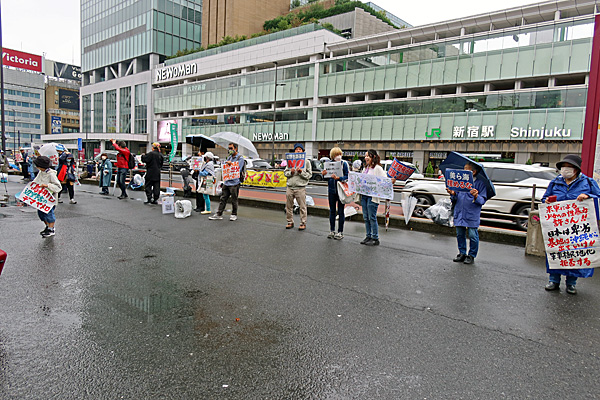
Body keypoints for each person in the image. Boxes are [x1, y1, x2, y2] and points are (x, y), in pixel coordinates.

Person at [541, 154, 600, 295]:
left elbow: (598, 197)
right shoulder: (555, 182)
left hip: (578, 227)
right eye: (563, 167)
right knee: (556, 251)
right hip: (558, 226)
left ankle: (571, 283)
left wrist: (588, 196)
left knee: (574, 254)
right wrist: (547, 201)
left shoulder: (588, 182)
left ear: (576, 169)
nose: (565, 169)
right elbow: (544, 199)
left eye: (569, 167)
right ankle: (553, 280)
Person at [446, 162, 488, 265]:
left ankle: (471, 255)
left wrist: (476, 196)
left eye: (466, 169)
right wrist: (453, 193)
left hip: (472, 213)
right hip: (460, 212)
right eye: (464, 169)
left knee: (473, 235)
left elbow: (482, 201)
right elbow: (455, 198)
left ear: (473, 172)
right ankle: (462, 253)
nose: (463, 171)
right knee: (460, 234)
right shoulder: (460, 183)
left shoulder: (480, 184)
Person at [360, 149, 390, 246]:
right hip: (364, 195)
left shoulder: (378, 168)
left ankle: (375, 238)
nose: (366, 158)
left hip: (372, 196)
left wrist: (390, 181)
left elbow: (384, 180)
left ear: (373, 157)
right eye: (365, 156)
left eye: (368, 156)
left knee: (372, 217)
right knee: (366, 217)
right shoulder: (366, 168)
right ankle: (368, 236)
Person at [209, 143, 245, 221]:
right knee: (223, 198)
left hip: (235, 182)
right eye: (229, 148)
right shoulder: (229, 157)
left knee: (234, 199)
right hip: (227, 181)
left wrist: (231, 164)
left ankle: (234, 214)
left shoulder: (240, 158)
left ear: (235, 148)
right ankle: (219, 214)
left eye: (231, 148)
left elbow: (238, 169)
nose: (230, 150)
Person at [321, 147, 348, 239]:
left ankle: (340, 232)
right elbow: (326, 178)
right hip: (331, 190)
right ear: (332, 156)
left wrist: (339, 178)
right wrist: (323, 174)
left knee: (341, 211)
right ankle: (332, 230)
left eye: (339, 154)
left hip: (341, 191)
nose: (338, 156)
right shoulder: (328, 164)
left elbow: (347, 176)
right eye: (336, 155)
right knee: (332, 211)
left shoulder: (344, 164)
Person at [32, 156, 62, 238]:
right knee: (41, 214)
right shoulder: (41, 172)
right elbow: (36, 181)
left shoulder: (51, 174)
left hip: (49, 199)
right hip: (41, 198)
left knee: (49, 214)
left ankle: (51, 229)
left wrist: (47, 185)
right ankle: (48, 226)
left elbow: (58, 187)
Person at [284, 143, 312, 231]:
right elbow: (285, 173)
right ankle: (290, 222)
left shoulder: (306, 162)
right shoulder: (290, 161)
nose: (298, 150)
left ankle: (303, 223)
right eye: (296, 149)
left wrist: (301, 172)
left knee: (302, 206)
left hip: (300, 187)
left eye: (300, 149)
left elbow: (309, 175)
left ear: (303, 151)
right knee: (288, 206)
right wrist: (291, 172)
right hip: (290, 186)